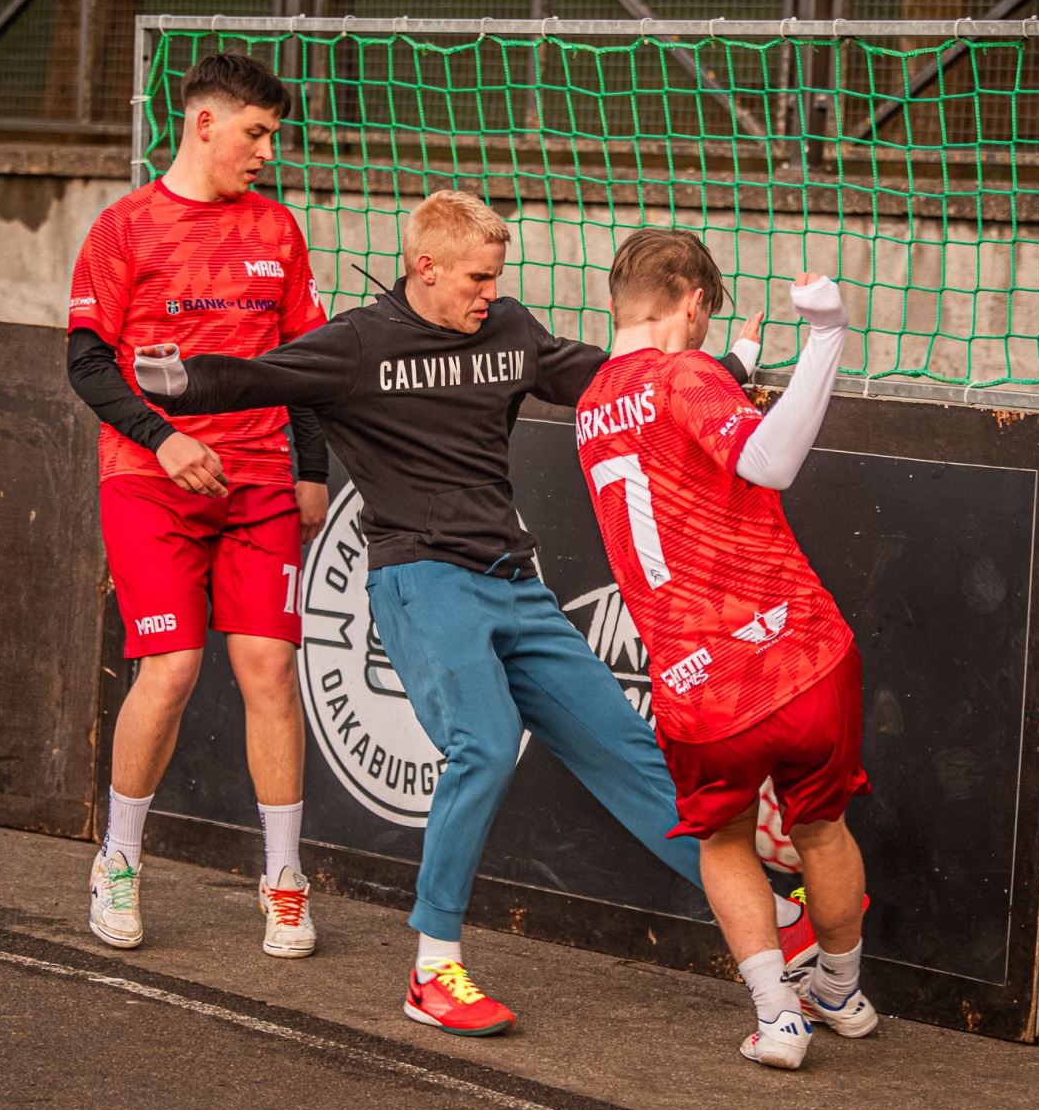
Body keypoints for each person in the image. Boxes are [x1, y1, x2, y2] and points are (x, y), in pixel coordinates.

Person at [130, 190, 816, 1036]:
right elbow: (261, 376)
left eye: (496, 276)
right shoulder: (357, 344)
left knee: (632, 751)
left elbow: (608, 382)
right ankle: (433, 970)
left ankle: (781, 923)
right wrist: (177, 381)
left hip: (514, 582)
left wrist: (725, 374)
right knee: (484, 745)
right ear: (426, 267)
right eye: (477, 279)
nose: (491, 293)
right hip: (421, 580)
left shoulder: (509, 329)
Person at [572, 229, 872, 1069]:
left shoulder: (593, 403)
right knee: (822, 829)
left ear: (616, 301)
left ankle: (779, 1018)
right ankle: (841, 991)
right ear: (694, 301)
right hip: (799, 655)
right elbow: (767, 460)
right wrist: (827, 335)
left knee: (725, 840)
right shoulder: (686, 373)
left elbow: (668, 430)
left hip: (697, 683)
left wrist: (735, 364)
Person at [65, 52, 329, 959]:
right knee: (172, 670)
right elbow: (85, 362)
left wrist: (311, 470)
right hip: (152, 480)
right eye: (256, 133)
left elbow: (304, 364)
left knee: (270, 672)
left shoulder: (278, 229)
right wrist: (164, 439)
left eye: (273, 137)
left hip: (260, 484)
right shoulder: (123, 226)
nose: (267, 152)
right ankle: (118, 860)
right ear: (204, 122)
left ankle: (284, 880)